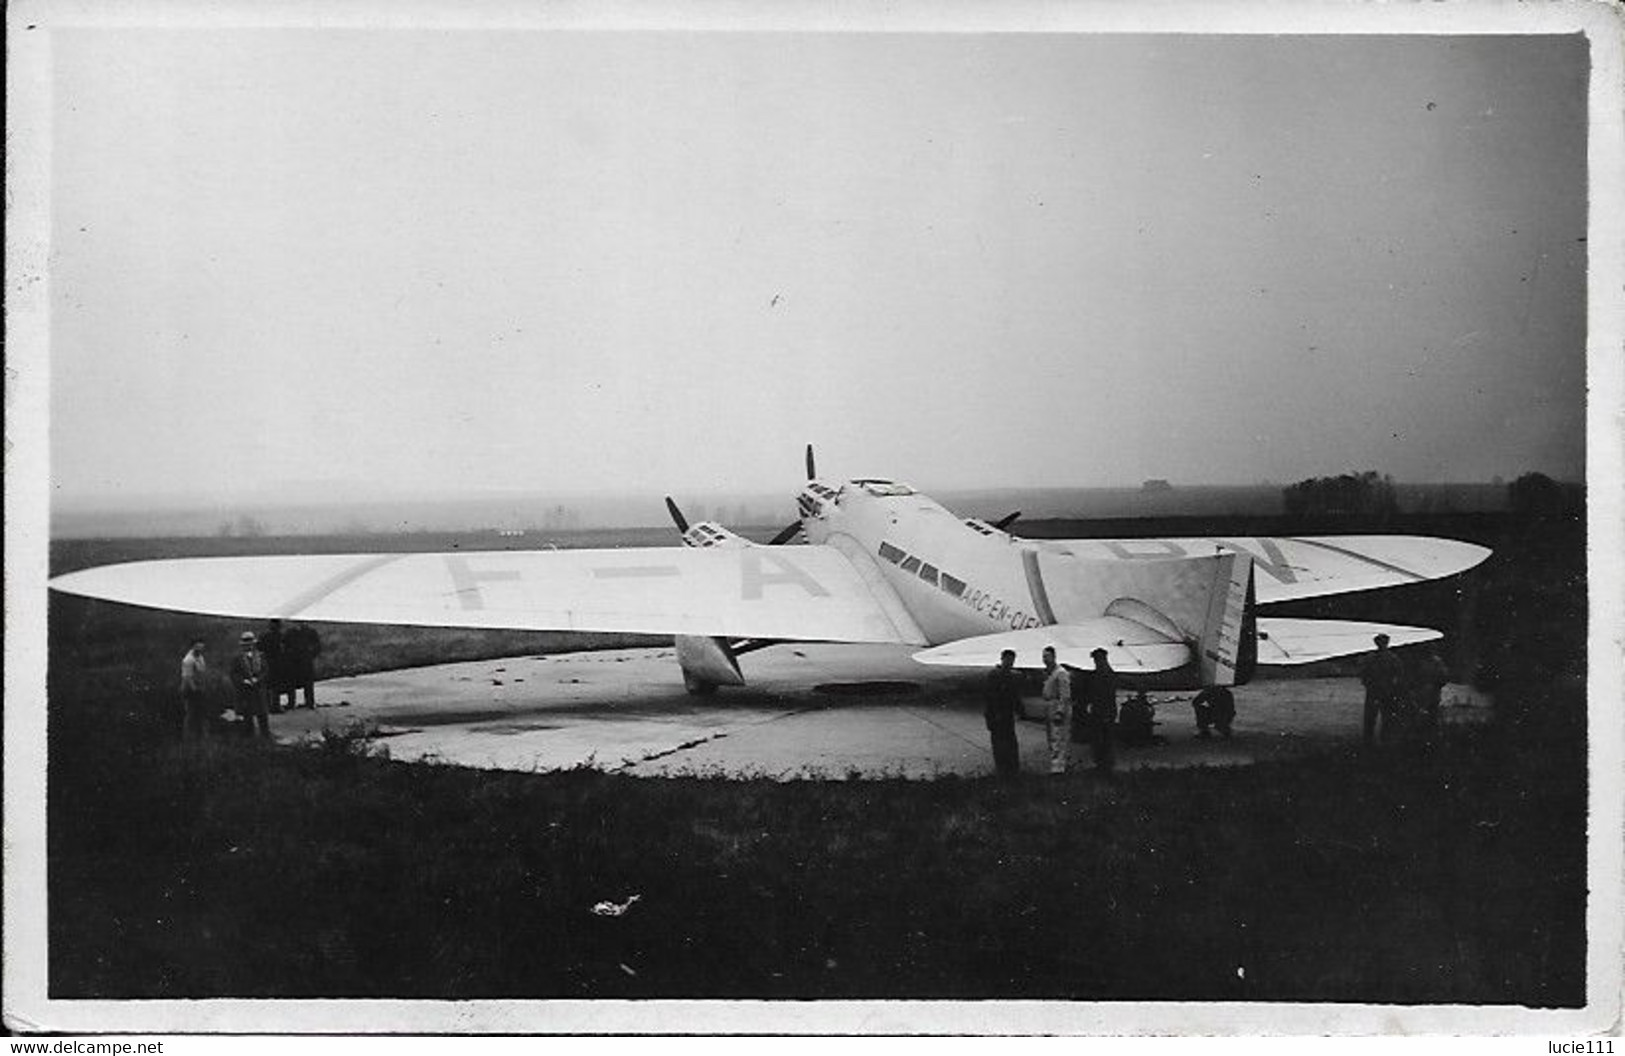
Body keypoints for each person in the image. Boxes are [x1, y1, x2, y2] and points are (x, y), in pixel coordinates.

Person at [1358, 633, 1406, 743]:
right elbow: (1364, 674)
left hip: (1384, 691)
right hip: (1378, 691)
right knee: (1374, 718)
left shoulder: (1389, 658)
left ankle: (1380, 741)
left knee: (1384, 718)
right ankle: (1373, 741)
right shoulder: (1377, 658)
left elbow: (1399, 674)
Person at [983, 649, 1022, 779]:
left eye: (1012, 660)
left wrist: (1019, 710)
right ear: (1002, 659)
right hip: (996, 715)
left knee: (1010, 742)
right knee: (999, 743)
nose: (1010, 663)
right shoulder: (994, 676)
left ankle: (1011, 768)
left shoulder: (1012, 676)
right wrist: (989, 717)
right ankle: (1003, 768)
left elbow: (1015, 696)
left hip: (1007, 715)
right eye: (1008, 660)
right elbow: (989, 697)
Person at [230, 631, 272, 739]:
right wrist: (244, 681)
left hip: (259, 689)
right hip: (245, 691)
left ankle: (265, 738)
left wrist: (258, 679)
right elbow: (234, 674)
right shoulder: (237, 658)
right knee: (247, 717)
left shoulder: (260, 656)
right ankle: (250, 740)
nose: (248, 645)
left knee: (262, 716)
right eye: (246, 644)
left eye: (250, 643)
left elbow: (266, 670)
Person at [1041, 646, 1072, 775]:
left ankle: (1058, 770)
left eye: (1047, 656)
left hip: (1057, 707)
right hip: (1049, 706)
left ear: (1054, 656)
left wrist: (1060, 712)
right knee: (1051, 738)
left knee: (1058, 738)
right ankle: (1055, 766)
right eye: (1043, 657)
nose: (1045, 659)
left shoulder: (1061, 673)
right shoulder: (1050, 673)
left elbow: (1064, 695)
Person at [1086, 648, 1118, 775]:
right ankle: (1103, 764)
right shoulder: (1103, 673)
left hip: (1104, 712)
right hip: (1101, 711)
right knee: (1101, 739)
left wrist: (1105, 714)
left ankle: (1104, 765)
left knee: (1103, 739)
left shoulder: (1105, 674)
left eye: (1096, 659)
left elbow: (1107, 695)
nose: (1095, 661)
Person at [1411, 647, 1451, 741]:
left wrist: (1435, 684)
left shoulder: (1437, 662)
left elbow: (1443, 677)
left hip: (1432, 693)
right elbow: (1415, 677)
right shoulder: (1420, 662)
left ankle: (1431, 738)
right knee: (1422, 716)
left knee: (1432, 716)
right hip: (1422, 693)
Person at [283, 622, 324, 709]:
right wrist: (288, 655)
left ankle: (309, 702)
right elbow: (285, 646)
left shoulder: (310, 632)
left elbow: (317, 646)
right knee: (292, 682)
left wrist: (311, 655)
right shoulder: (290, 632)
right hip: (294, 661)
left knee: (308, 683)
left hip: (305, 660)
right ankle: (292, 703)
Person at [179, 638, 212, 739]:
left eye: (202, 646)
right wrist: (196, 691)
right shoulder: (188, 659)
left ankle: (202, 736)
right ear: (193, 647)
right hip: (190, 689)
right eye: (197, 646)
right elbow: (188, 677)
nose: (200, 648)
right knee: (191, 713)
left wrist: (203, 687)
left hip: (199, 687)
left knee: (201, 713)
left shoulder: (200, 657)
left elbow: (202, 672)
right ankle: (187, 737)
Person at [260, 619, 289, 712]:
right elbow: (285, 649)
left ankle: (268, 706)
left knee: (269, 686)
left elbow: (259, 647)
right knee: (275, 686)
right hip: (277, 663)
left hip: (268, 662)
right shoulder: (281, 636)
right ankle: (275, 706)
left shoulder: (264, 636)